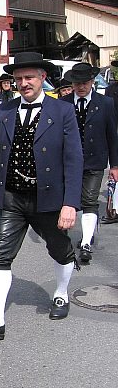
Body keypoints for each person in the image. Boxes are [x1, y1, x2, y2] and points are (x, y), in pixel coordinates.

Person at [0, 52, 83, 341]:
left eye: (29, 77)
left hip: (49, 198)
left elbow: (73, 159)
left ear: (43, 78)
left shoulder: (62, 111)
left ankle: (60, 293)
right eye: (18, 79)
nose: (23, 83)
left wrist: (70, 203)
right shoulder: (4, 111)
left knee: (60, 248)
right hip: (11, 198)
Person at [60, 63, 118, 263]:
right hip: (67, 161)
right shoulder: (64, 103)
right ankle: (64, 240)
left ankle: (85, 243)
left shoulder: (106, 103)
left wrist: (115, 166)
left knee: (90, 201)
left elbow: (112, 135)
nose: (80, 87)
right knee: (68, 202)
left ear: (92, 82)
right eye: (76, 83)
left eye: (84, 83)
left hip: (95, 160)